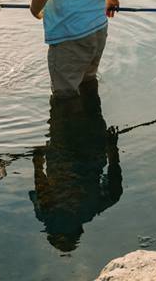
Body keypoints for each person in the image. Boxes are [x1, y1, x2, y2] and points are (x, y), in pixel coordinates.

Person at [29, 79, 122, 253]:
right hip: (64, 149)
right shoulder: (48, 214)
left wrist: (111, 149)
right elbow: (40, 189)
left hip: (91, 147)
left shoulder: (89, 209)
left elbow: (115, 192)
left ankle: (86, 75)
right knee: (64, 99)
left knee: (87, 92)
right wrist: (37, 162)